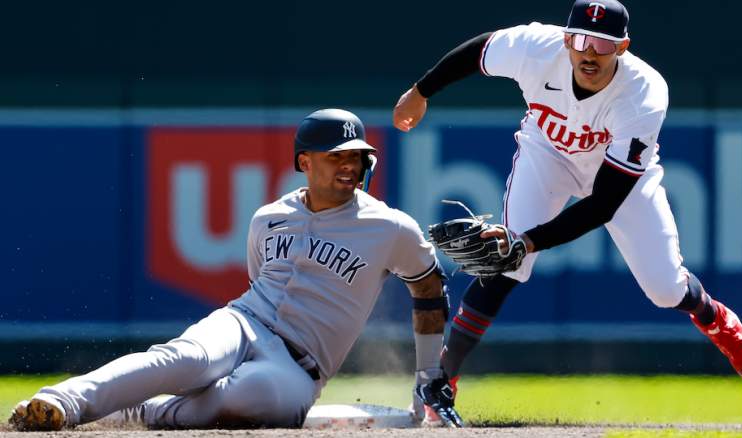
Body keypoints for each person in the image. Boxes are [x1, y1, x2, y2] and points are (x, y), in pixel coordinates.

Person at [394, 0, 742, 426]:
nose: (588, 53)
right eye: (579, 40)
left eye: (603, 45)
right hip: (547, 155)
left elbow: (604, 201)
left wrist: (528, 240)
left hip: (620, 180)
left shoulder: (644, 92)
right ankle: (443, 379)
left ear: (623, 46)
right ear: (565, 38)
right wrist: (420, 92)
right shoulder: (537, 47)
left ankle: (714, 317)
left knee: (664, 289)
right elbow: (478, 52)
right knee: (504, 264)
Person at [9, 108, 449, 431]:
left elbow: (429, 287)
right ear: (305, 162)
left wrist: (429, 374)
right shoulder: (268, 216)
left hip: (302, 366)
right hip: (245, 321)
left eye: (357, 155)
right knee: (183, 358)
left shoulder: (389, 226)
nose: (350, 164)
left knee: (249, 399)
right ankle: (62, 401)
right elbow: (258, 282)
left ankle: (142, 412)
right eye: (336, 156)